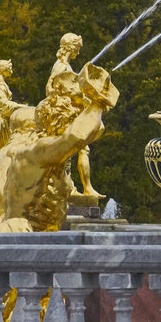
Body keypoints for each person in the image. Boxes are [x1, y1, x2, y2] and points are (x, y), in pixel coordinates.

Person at [0, 64, 118, 233]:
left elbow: (95, 129)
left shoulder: (1, 156)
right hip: (16, 234)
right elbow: (76, 137)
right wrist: (98, 102)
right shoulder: (34, 152)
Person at [47, 32, 102, 200]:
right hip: (65, 114)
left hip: (68, 112)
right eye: (78, 45)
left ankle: (76, 187)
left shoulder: (63, 66)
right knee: (77, 150)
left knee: (77, 150)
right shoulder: (62, 67)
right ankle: (78, 189)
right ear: (71, 46)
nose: (80, 48)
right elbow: (51, 91)